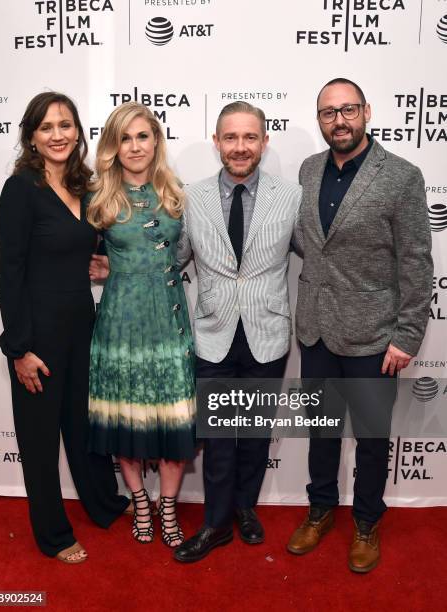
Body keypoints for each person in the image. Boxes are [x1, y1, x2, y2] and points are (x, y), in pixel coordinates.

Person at [287, 78, 433, 573]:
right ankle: (320, 508)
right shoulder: (308, 170)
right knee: (322, 431)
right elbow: (310, 244)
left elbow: (415, 261)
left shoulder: (402, 176)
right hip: (316, 330)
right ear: (320, 120)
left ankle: (367, 522)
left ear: (367, 112)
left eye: (347, 109)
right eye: (328, 113)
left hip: (375, 336)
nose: (339, 120)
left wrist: (407, 335)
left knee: (372, 437)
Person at [0, 92, 130, 564]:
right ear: (32, 136)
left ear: (78, 132)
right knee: (38, 441)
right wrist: (19, 348)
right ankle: (53, 535)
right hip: (38, 335)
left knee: (83, 427)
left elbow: (94, 249)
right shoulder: (21, 190)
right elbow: (9, 271)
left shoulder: (86, 186)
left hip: (81, 326)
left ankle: (104, 504)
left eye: (66, 125)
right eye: (47, 127)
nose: (58, 135)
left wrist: (107, 265)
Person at [173, 102, 302, 563]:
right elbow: (175, 258)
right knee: (220, 434)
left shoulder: (292, 197)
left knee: (253, 433)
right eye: (231, 138)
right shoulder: (193, 197)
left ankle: (245, 507)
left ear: (264, 142)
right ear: (217, 142)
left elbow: (319, 255)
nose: (240, 147)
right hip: (213, 332)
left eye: (250, 137)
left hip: (267, 332)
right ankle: (215, 523)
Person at [87, 102, 196, 548]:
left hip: (169, 320)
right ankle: (138, 498)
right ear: (113, 146)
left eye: (142, 136)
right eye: (125, 138)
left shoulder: (176, 193)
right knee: (124, 421)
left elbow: (185, 252)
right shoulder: (97, 199)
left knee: (174, 419)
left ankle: (167, 505)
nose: (134, 146)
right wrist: (107, 267)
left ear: (155, 141)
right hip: (121, 323)